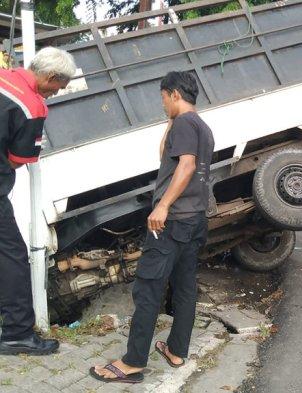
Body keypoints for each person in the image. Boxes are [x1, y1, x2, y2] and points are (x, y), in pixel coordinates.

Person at [90, 71, 215, 384]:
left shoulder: (185, 123)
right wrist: (170, 121)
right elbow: (165, 157)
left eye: (163, 98)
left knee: (147, 289)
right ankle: (176, 350)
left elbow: (185, 166)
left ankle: (133, 363)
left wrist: (162, 205)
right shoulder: (201, 126)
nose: (162, 104)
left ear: (173, 94)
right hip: (196, 220)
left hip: (171, 222)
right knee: (185, 287)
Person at [0, 47, 76, 356]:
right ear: (51, 77)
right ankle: (17, 333)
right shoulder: (33, 106)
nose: (57, 92)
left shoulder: (3, 77)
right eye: (60, 86)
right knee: (13, 257)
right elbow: (20, 159)